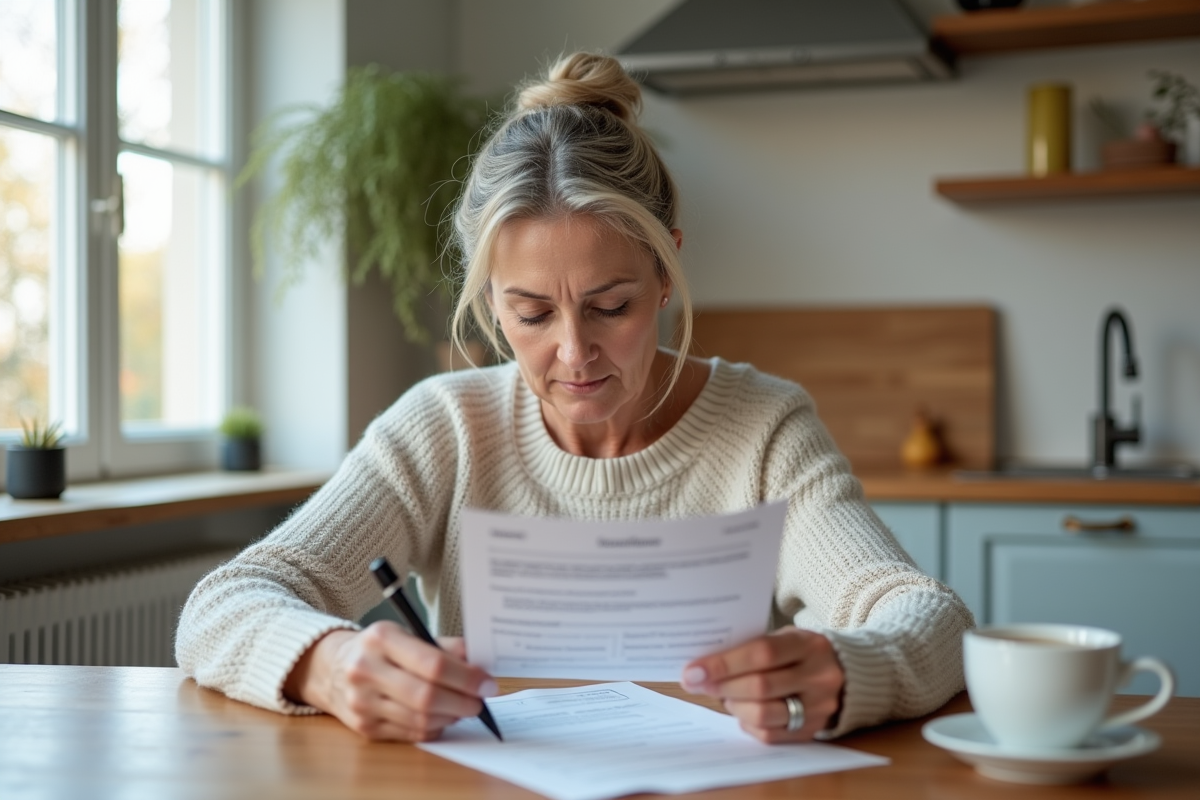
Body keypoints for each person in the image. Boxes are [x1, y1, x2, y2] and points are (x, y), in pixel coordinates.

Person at [176, 52, 974, 745]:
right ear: (492, 304)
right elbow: (224, 604)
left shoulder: (763, 427)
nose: (573, 351)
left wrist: (845, 667)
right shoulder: (444, 426)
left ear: (667, 275)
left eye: (611, 305)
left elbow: (927, 617)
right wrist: (331, 662)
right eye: (530, 313)